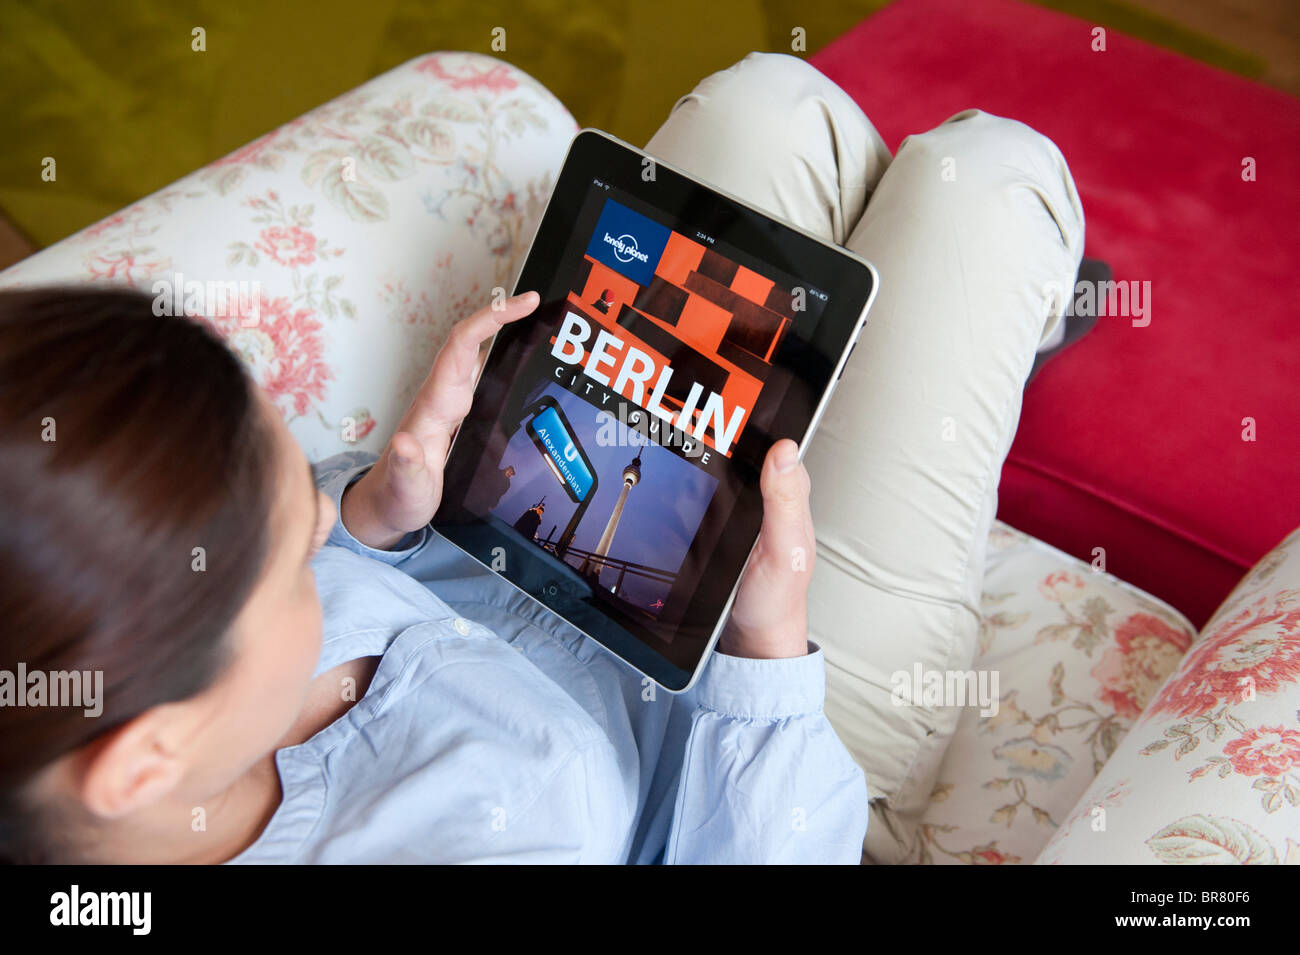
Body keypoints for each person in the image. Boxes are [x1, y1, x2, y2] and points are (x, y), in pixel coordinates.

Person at [0, 52, 1082, 864]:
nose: (320, 535)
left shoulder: (151, 663)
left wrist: (380, 509)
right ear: (142, 763)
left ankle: (899, 323)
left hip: (513, 533)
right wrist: (764, 643)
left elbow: (336, 538)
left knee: (767, 105)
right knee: (985, 185)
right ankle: (997, 323)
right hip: (770, 727)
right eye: (293, 562)